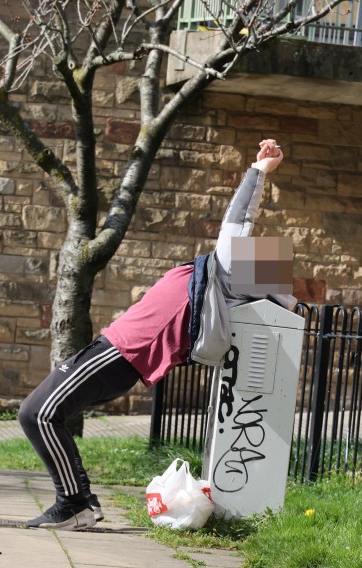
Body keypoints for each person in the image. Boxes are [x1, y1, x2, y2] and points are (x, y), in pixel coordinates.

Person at [18, 138, 291, 530]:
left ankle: (75, 503)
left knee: (38, 414)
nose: (249, 250)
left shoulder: (226, 278)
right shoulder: (215, 276)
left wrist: (259, 171)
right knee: (41, 414)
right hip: (115, 349)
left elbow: (238, 219)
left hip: (121, 353)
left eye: (257, 259)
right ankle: (78, 502)